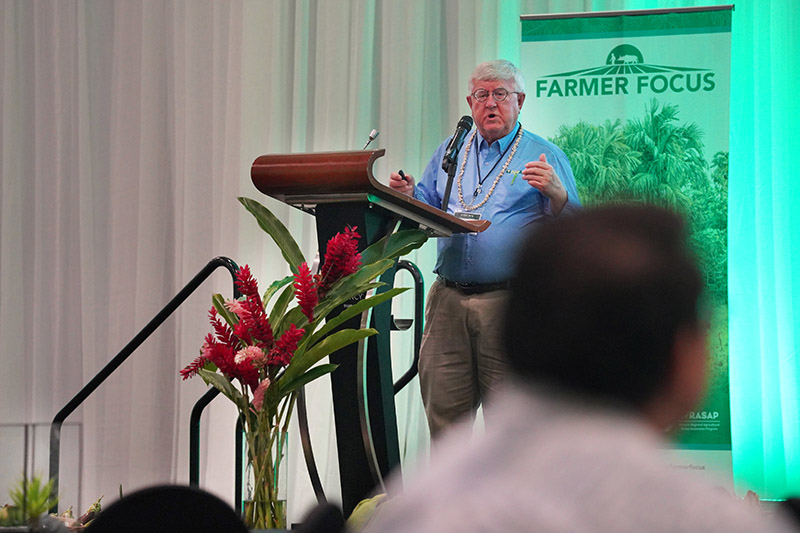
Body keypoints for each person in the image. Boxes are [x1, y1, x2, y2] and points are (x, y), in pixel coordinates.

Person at [364, 204, 798, 532]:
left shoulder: (410, 506)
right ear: (684, 354)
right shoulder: (699, 519)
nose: (489, 102)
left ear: (517, 333)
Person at [388, 59, 581, 438]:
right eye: (482, 95)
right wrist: (409, 194)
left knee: (512, 430)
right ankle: (452, 500)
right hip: (447, 300)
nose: (490, 103)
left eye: (501, 94)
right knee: (445, 423)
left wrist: (557, 193)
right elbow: (428, 202)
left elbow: (575, 231)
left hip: (509, 303)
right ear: (469, 102)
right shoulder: (452, 149)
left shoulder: (544, 155)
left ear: (520, 100)